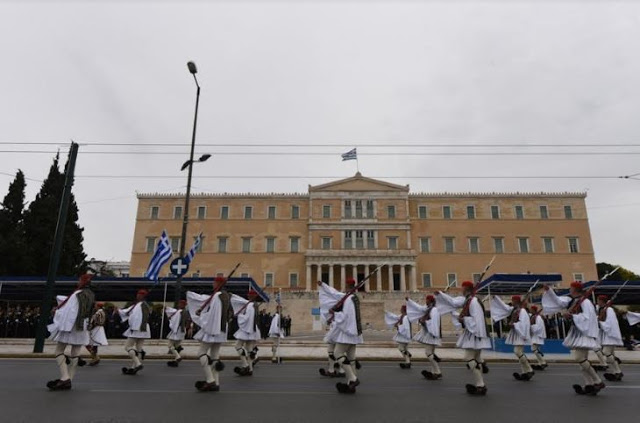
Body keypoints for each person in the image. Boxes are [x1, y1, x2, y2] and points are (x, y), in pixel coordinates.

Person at [542, 282, 604, 395]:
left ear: (575, 289)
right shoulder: (572, 300)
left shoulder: (585, 302)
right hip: (577, 332)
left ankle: (597, 381)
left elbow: (588, 318)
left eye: (571, 287)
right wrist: (549, 290)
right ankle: (588, 384)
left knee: (579, 358)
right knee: (582, 361)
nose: (569, 289)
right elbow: (558, 301)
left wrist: (572, 316)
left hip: (583, 333)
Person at [436, 281, 491, 395]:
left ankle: (481, 385)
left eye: (463, 288)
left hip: (475, 333)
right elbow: (453, 302)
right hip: (473, 333)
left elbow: (476, 319)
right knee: (475, 359)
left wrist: (463, 320)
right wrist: (441, 294)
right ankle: (480, 383)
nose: (461, 290)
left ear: (467, 289)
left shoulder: (474, 302)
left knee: (468, 358)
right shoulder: (467, 300)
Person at [46, 273, 95, 391]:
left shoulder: (76, 295)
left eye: (79, 280)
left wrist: (56, 313)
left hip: (72, 326)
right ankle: (70, 379)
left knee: (59, 350)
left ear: (82, 282)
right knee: (76, 352)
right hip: (83, 326)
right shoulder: (91, 295)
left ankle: (65, 377)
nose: (78, 282)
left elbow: (69, 312)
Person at [187, 276, 233, 392]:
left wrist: (200, 317)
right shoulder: (226, 296)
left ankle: (210, 380)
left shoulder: (217, 296)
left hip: (213, 328)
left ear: (218, 283)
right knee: (215, 356)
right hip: (221, 329)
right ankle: (216, 383)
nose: (213, 284)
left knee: (201, 353)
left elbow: (213, 314)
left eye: (214, 282)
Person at [325, 278, 363, 394]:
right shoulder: (354, 298)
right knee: (351, 359)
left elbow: (346, 316)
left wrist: (334, 313)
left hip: (348, 332)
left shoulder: (349, 299)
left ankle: (353, 379)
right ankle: (350, 386)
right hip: (354, 331)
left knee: (337, 353)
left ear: (347, 285)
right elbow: (336, 295)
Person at [491, 295, 534, 381]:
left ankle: (529, 369)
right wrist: (496, 298)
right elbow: (504, 307)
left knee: (517, 351)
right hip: (516, 333)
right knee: (519, 353)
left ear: (517, 301)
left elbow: (524, 324)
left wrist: (514, 325)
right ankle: (524, 372)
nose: (512, 302)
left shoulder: (522, 311)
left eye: (513, 300)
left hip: (520, 333)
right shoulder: (514, 310)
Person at [406, 294, 442, 380]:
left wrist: (424, 322)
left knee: (428, 353)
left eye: (427, 300)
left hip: (432, 334)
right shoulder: (428, 309)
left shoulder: (434, 310)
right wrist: (409, 301)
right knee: (431, 354)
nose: (425, 301)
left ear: (430, 301)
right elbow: (419, 308)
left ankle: (438, 371)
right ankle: (434, 372)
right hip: (429, 333)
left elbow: (434, 322)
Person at [118, 289, 151, 376]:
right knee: (139, 348)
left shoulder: (140, 305)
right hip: (143, 329)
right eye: (138, 294)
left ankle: (138, 363)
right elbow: (128, 312)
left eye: (139, 294)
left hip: (137, 328)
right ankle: (133, 367)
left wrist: (133, 327)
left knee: (127, 347)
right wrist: (119, 310)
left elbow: (136, 317)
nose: (137, 296)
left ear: (142, 296)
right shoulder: (142, 305)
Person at [318, 281, 346, 378]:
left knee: (332, 350)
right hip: (340, 328)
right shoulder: (345, 299)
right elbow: (332, 292)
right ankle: (341, 370)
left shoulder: (343, 298)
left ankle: (332, 370)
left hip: (336, 328)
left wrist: (323, 285)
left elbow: (332, 292)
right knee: (340, 351)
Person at [230, 289, 262, 376]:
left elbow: (247, 318)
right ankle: (250, 369)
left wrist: (238, 315)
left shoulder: (250, 305)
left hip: (247, 330)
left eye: (249, 295)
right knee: (249, 350)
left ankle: (245, 365)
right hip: (252, 330)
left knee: (238, 346)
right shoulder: (255, 305)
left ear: (252, 296)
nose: (248, 296)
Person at [595, 295, 624, 381]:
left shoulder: (609, 310)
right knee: (610, 354)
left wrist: (600, 322)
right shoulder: (602, 309)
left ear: (602, 301)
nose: (597, 302)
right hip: (606, 335)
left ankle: (618, 371)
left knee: (606, 352)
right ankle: (616, 371)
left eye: (598, 300)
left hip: (610, 335)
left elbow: (611, 323)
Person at [165, 300, 190, 368]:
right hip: (182, 330)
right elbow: (188, 321)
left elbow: (176, 320)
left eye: (180, 303)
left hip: (177, 330)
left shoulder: (180, 312)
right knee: (177, 346)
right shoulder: (184, 312)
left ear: (183, 304)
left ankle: (178, 357)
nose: (178, 305)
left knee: (170, 345)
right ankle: (175, 361)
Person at [86, 302, 108, 367]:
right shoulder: (102, 312)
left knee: (88, 343)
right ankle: (95, 357)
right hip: (100, 328)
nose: (95, 306)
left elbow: (94, 322)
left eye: (95, 305)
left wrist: (89, 328)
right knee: (95, 344)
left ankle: (95, 357)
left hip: (96, 328)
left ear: (98, 306)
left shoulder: (98, 313)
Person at [529, 305, 548, 371]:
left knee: (534, 349)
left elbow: (538, 327)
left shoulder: (538, 317)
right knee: (536, 349)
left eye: (531, 309)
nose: (530, 310)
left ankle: (543, 362)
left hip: (537, 335)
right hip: (535, 335)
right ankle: (540, 363)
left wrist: (530, 328)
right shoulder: (534, 317)